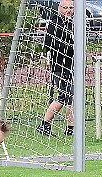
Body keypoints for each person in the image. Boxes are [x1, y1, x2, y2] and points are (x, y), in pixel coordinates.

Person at [37, 0, 75, 137]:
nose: (69, 10)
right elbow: (48, 43)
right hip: (60, 66)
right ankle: (44, 124)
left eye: (71, 7)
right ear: (60, 8)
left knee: (73, 97)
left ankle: (71, 129)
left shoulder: (73, 23)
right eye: (66, 8)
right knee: (63, 96)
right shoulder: (55, 22)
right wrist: (67, 46)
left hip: (72, 65)